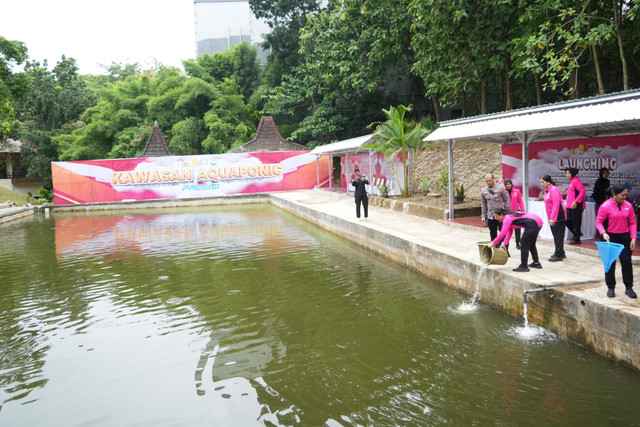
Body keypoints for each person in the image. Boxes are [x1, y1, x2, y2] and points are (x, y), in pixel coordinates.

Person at [595, 184, 637, 298]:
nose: (625, 197)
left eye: (626, 195)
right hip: (610, 237)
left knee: (627, 262)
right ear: (614, 195)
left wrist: (633, 238)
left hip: (625, 237)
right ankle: (611, 287)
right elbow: (598, 222)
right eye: (622, 195)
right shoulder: (605, 206)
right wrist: (603, 232)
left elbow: (632, 222)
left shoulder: (628, 205)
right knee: (610, 263)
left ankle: (629, 287)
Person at [487, 208, 543, 272]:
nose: (497, 219)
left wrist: (493, 243)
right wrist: (505, 243)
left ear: (501, 215)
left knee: (524, 244)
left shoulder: (507, 219)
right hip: (537, 221)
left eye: (497, 217)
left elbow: (502, 233)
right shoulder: (509, 216)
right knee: (531, 244)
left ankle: (524, 266)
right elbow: (509, 232)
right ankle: (536, 263)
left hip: (533, 223)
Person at [540, 174, 567, 262]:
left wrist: (553, 218)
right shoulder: (547, 191)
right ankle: (561, 252)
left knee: (558, 235)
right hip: (552, 216)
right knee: (556, 235)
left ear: (548, 182)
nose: (541, 184)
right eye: (540, 182)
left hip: (558, 216)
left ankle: (558, 254)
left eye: (543, 182)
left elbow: (556, 204)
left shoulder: (554, 190)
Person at [481, 173, 510, 246]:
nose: (488, 182)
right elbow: (483, 204)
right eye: (487, 181)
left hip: (500, 215)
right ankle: (494, 249)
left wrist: (508, 212)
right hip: (490, 215)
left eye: (490, 181)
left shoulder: (500, 188)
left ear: (493, 179)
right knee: (492, 233)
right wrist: (483, 215)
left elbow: (507, 199)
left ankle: (505, 250)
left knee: (503, 232)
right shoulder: (484, 190)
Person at [564, 167, 586, 244]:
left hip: (575, 205)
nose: (567, 175)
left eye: (569, 173)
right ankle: (577, 234)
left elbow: (582, 191)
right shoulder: (572, 181)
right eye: (566, 173)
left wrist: (576, 201)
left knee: (576, 222)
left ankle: (577, 238)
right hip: (570, 205)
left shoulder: (576, 181)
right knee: (566, 219)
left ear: (573, 173)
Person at [504, 178, 525, 250]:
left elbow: (520, 202)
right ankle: (506, 244)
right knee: (508, 229)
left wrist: (522, 211)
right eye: (507, 184)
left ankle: (518, 243)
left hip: (516, 212)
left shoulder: (517, 191)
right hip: (508, 213)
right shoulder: (504, 192)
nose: (508, 185)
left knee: (518, 228)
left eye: (509, 184)